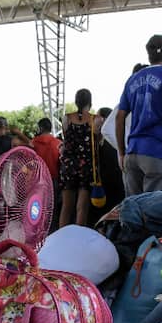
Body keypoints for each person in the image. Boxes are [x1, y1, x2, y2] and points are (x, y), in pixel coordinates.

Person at [116, 34, 162, 196]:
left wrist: (121, 152)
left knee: (136, 206)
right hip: (158, 150)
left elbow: (119, 117)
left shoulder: (132, 79)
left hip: (133, 152)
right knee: (157, 207)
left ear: (149, 55)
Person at [59, 88, 94, 227]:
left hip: (68, 165)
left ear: (76, 101)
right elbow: (98, 141)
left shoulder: (66, 118)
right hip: (86, 165)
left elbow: (66, 138)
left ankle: (61, 236)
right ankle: (79, 237)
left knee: (66, 207)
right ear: (90, 102)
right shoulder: (95, 119)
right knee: (82, 208)